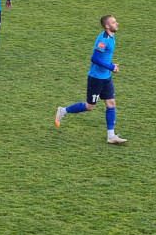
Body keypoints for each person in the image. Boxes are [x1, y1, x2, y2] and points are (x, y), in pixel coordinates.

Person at [54, 15, 127, 145]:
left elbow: (104, 57)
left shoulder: (112, 37)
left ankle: (111, 135)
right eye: (114, 22)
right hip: (96, 78)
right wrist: (111, 67)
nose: (117, 23)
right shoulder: (103, 40)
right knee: (90, 106)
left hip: (106, 78)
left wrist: (110, 65)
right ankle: (63, 110)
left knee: (111, 104)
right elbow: (95, 58)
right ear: (107, 26)